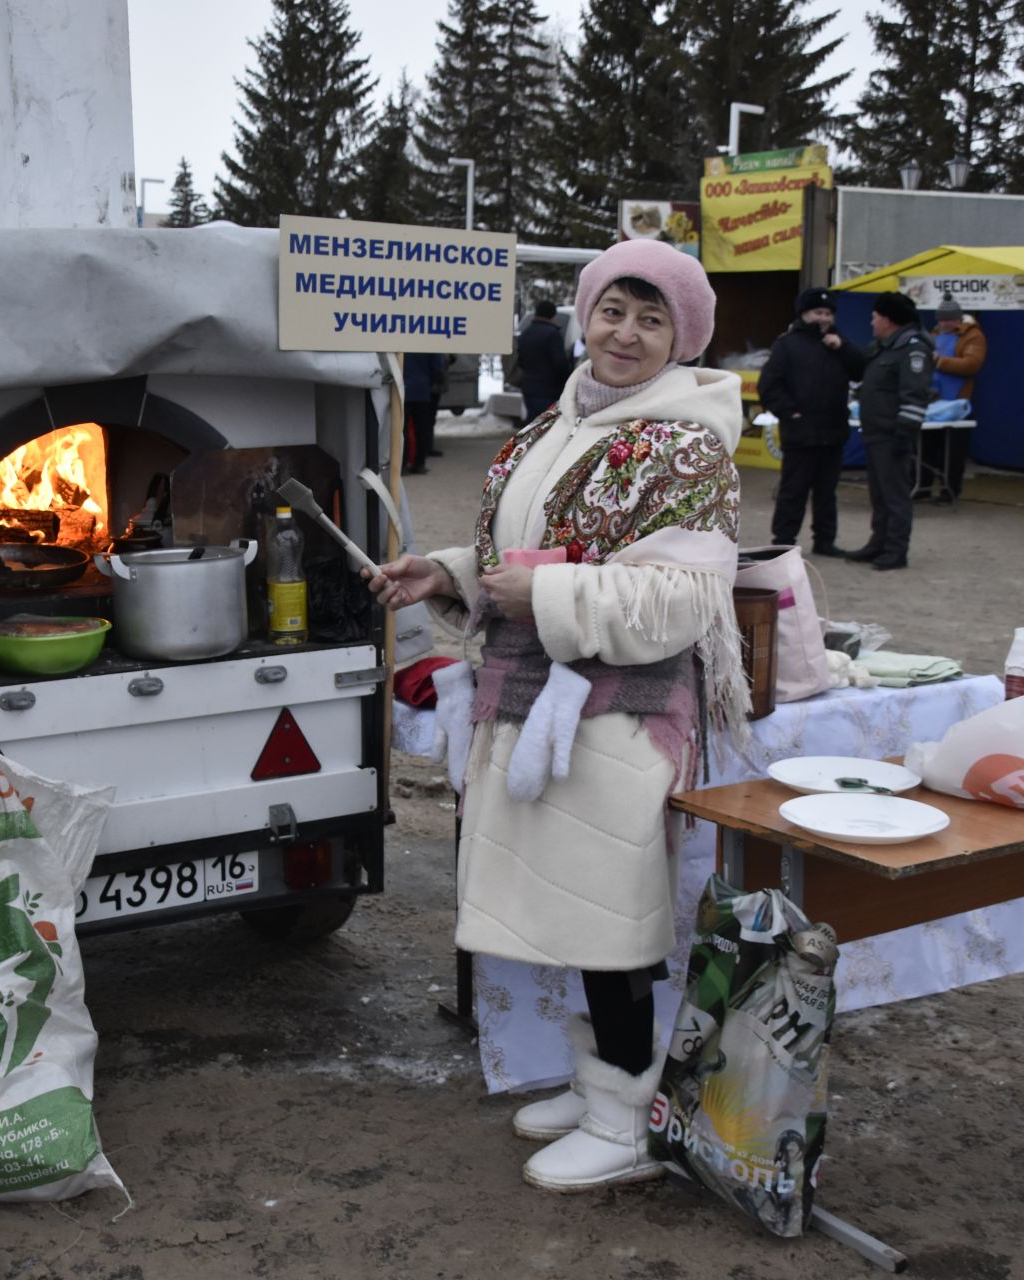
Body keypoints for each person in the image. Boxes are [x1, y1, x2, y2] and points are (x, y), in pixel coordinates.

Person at [362, 239, 749, 1195]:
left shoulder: (688, 447)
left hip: (619, 708)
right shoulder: (561, 419)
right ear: (585, 312)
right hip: (540, 695)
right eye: (613, 309)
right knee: (573, 918)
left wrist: (546, 598)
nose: (626, 333)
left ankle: (625, 1121)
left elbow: (681, 604)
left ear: (681, 339)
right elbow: (532, 549)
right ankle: (600, 1082)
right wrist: (450, 571)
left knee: (607, 918)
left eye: (651, 320)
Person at [758, 286, 865, 554]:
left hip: (833, 431)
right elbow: (768, 386)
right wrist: (791, 413)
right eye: (818, 312)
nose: (824, 318)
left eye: (828, 313)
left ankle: (825, 541)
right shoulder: (787, 345)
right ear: (804, 314)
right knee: (793, 491)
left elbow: (861, 370)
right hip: (801, 432)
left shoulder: (838, 342)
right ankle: (783, 542)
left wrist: (842, 348)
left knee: (826, 493)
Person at [846, 291, 931, 571]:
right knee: (879, 495)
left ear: (888, 320)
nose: (871, 322)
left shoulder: (912, 349)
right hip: (876, 432)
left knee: (894, 496)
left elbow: (915, 396)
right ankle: (878, 543)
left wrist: (903, 437)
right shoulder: (885, 347)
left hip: (893, 435)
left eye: (875, 317)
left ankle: (896, 551)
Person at [919, 295, 985, 501]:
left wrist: (940, 361)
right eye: (940, 320)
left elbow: (972, 365)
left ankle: (950, 491)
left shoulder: (973, 336)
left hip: (958, 401)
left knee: (953, 450)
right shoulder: (935, 332)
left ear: (958, 319)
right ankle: (922, 487)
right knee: (926, 446)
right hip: (932, 400)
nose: (943, 324)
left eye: (948, 320)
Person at [515, 299, 575, 422]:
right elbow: (559, 363)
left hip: (529, 387)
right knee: (547, 425)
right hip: (549, 390)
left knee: (532, 423)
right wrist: (569, 380)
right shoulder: (553, 334)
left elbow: (520, 360)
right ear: (553, 315)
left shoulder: (525, 333)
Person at [402, 352, 445, 474]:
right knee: (422, 430)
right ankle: (419, 464)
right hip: (422, 391)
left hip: (402, 390)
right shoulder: (428, 345)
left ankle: (402, 465)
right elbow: (437, 369)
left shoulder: (399, 342)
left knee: (402, 430)